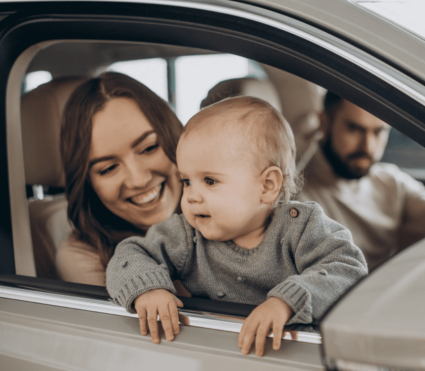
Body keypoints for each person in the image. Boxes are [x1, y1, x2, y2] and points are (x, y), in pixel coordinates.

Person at [106, 96, 368, 356]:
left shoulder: (300, 226)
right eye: (186, 181)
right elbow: (130, 253)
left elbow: (347, 268)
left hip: (290, 354)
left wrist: (287, 301)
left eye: (209, 181)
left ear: (266, 186)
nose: (192, 196)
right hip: (215, 353)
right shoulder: (188, 235)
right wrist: (148, 288)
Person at [297, 91, 425, 270]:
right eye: (354, 128)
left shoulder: (389, 182)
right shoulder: (296, 199)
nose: (368, 146)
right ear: (324, 122)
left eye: (378, 131)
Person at [56, 72, 184, 286]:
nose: (138, 180)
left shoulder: (237, 211)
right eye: (108, 168)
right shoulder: (84, 259)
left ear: (176, 137)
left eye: (149, 148)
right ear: (88, 183)